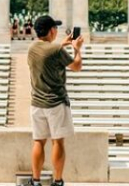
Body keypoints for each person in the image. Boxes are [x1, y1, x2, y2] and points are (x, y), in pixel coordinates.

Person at [27, 15, 84, 186]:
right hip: (56, 103)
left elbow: (47, 53)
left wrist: (62, 44)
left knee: (39, 141)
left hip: (37, 103)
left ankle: (35, 181)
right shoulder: (56, 51)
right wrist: (76, 49)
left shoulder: (31, 48)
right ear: (51, 30)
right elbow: (76, 66)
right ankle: (57, 181)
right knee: (57, 141)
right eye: (55, 28)